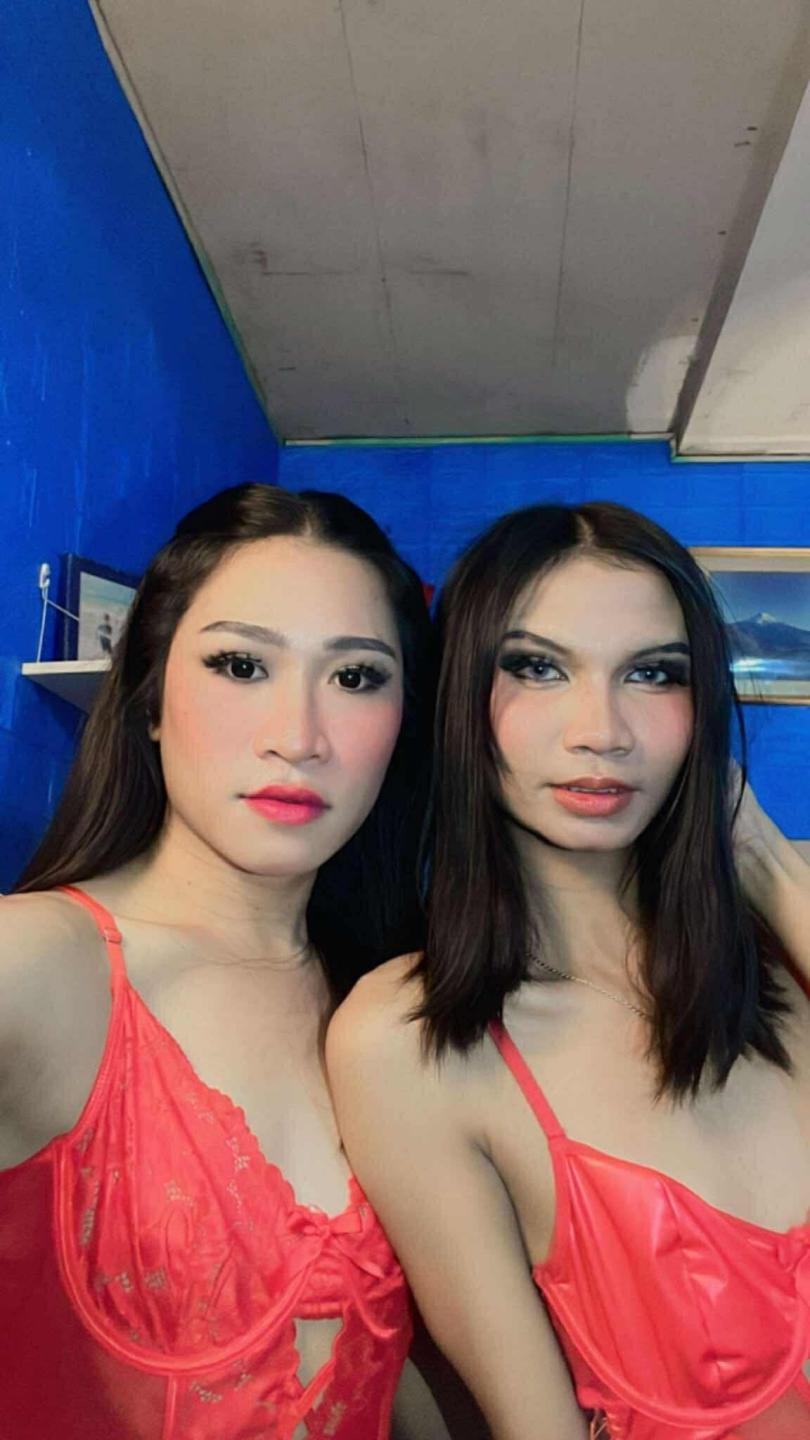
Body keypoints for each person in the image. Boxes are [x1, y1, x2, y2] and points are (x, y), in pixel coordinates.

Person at [328, 500, 810, 1440]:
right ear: (461, 696)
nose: (603, 730)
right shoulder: (410, 1041)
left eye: (654, 673)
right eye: (538, 667)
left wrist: (772, 869)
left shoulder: (781, 949)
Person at [0, 481, 453, 1439]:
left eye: (356, 677)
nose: (298, 737)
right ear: (150, 698)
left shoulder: (386, 1002)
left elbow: (375, 1356)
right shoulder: (39, 964)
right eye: (241, 664)